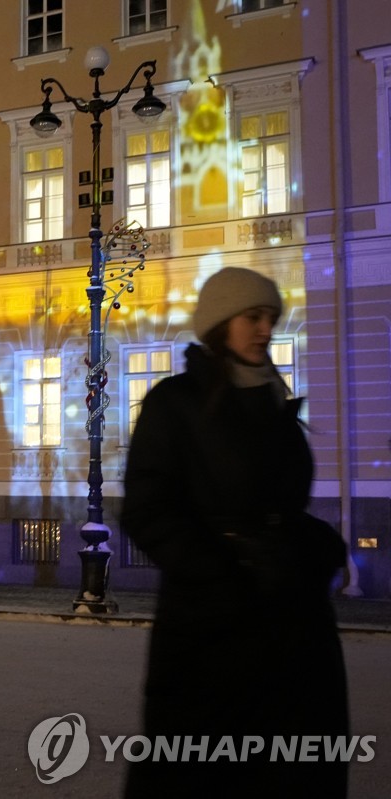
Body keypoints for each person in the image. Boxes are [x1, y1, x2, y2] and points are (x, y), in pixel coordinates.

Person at [121, 267, 349, 797]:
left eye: (270, 318)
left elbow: (284, 507)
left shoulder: (276, 400)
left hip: (292, 625)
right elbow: (148, 509)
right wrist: (220, 572)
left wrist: (318, 549)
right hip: (210, 631)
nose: (265, 329)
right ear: (222, 323)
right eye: (253, 317)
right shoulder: (174, 403)